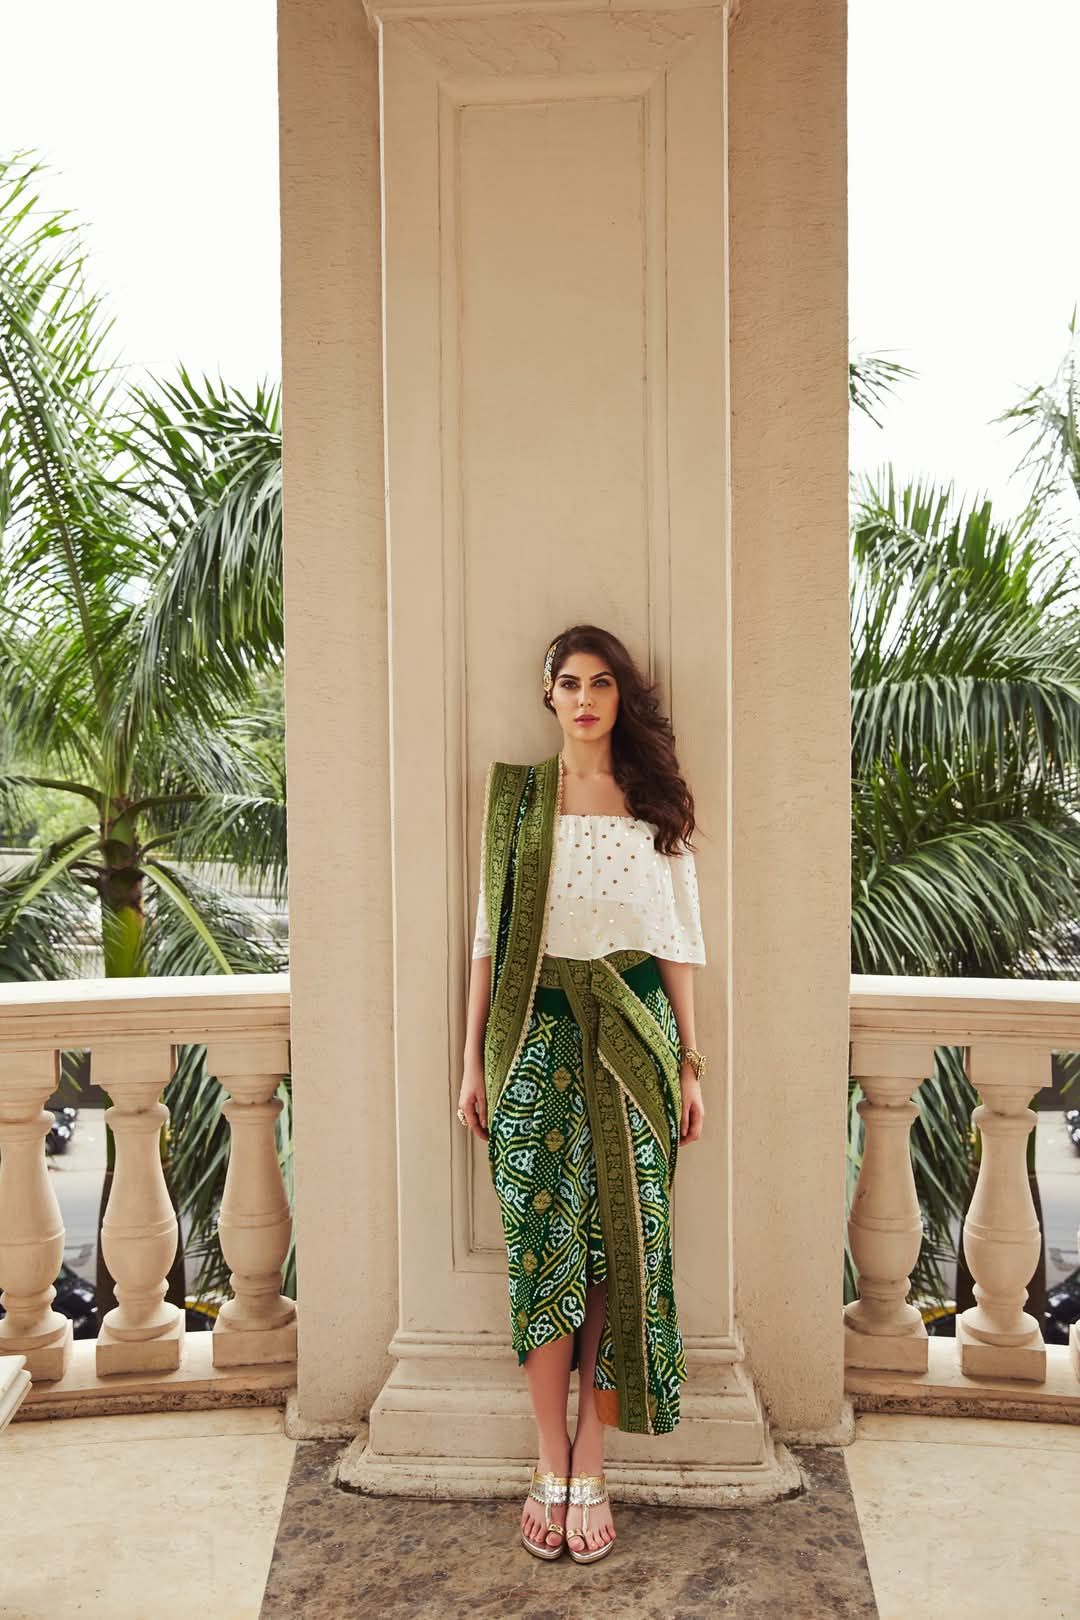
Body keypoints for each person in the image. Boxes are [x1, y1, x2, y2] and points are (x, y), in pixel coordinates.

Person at [457, 624, 707, 1565]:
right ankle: (547, 1456)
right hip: (532, 1041)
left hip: (634, 1044)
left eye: (603, 683)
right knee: (543, 1253)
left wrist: (691, 1065)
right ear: (549, 695)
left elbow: (679, 946)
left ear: (620, 697)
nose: (587, 699)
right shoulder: (517, 801)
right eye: (571, 682)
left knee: (615, 1256)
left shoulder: (655, 806)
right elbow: (488, 940)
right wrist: (472, 1062)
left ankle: (591, 1461)